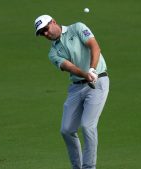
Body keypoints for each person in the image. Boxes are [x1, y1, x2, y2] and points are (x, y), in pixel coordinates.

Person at [34, 14, 109, 169]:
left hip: (98, 81)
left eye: (46, 29)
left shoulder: (78, 28)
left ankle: (89, 167)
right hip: (76, 87)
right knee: (66, 129)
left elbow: (94, 46)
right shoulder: (53, 53)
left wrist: (93, 70)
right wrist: (86, 74)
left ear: (53, 22)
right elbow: (70, 67)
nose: (46, 34)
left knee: (88, 125)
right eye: (42, 33)